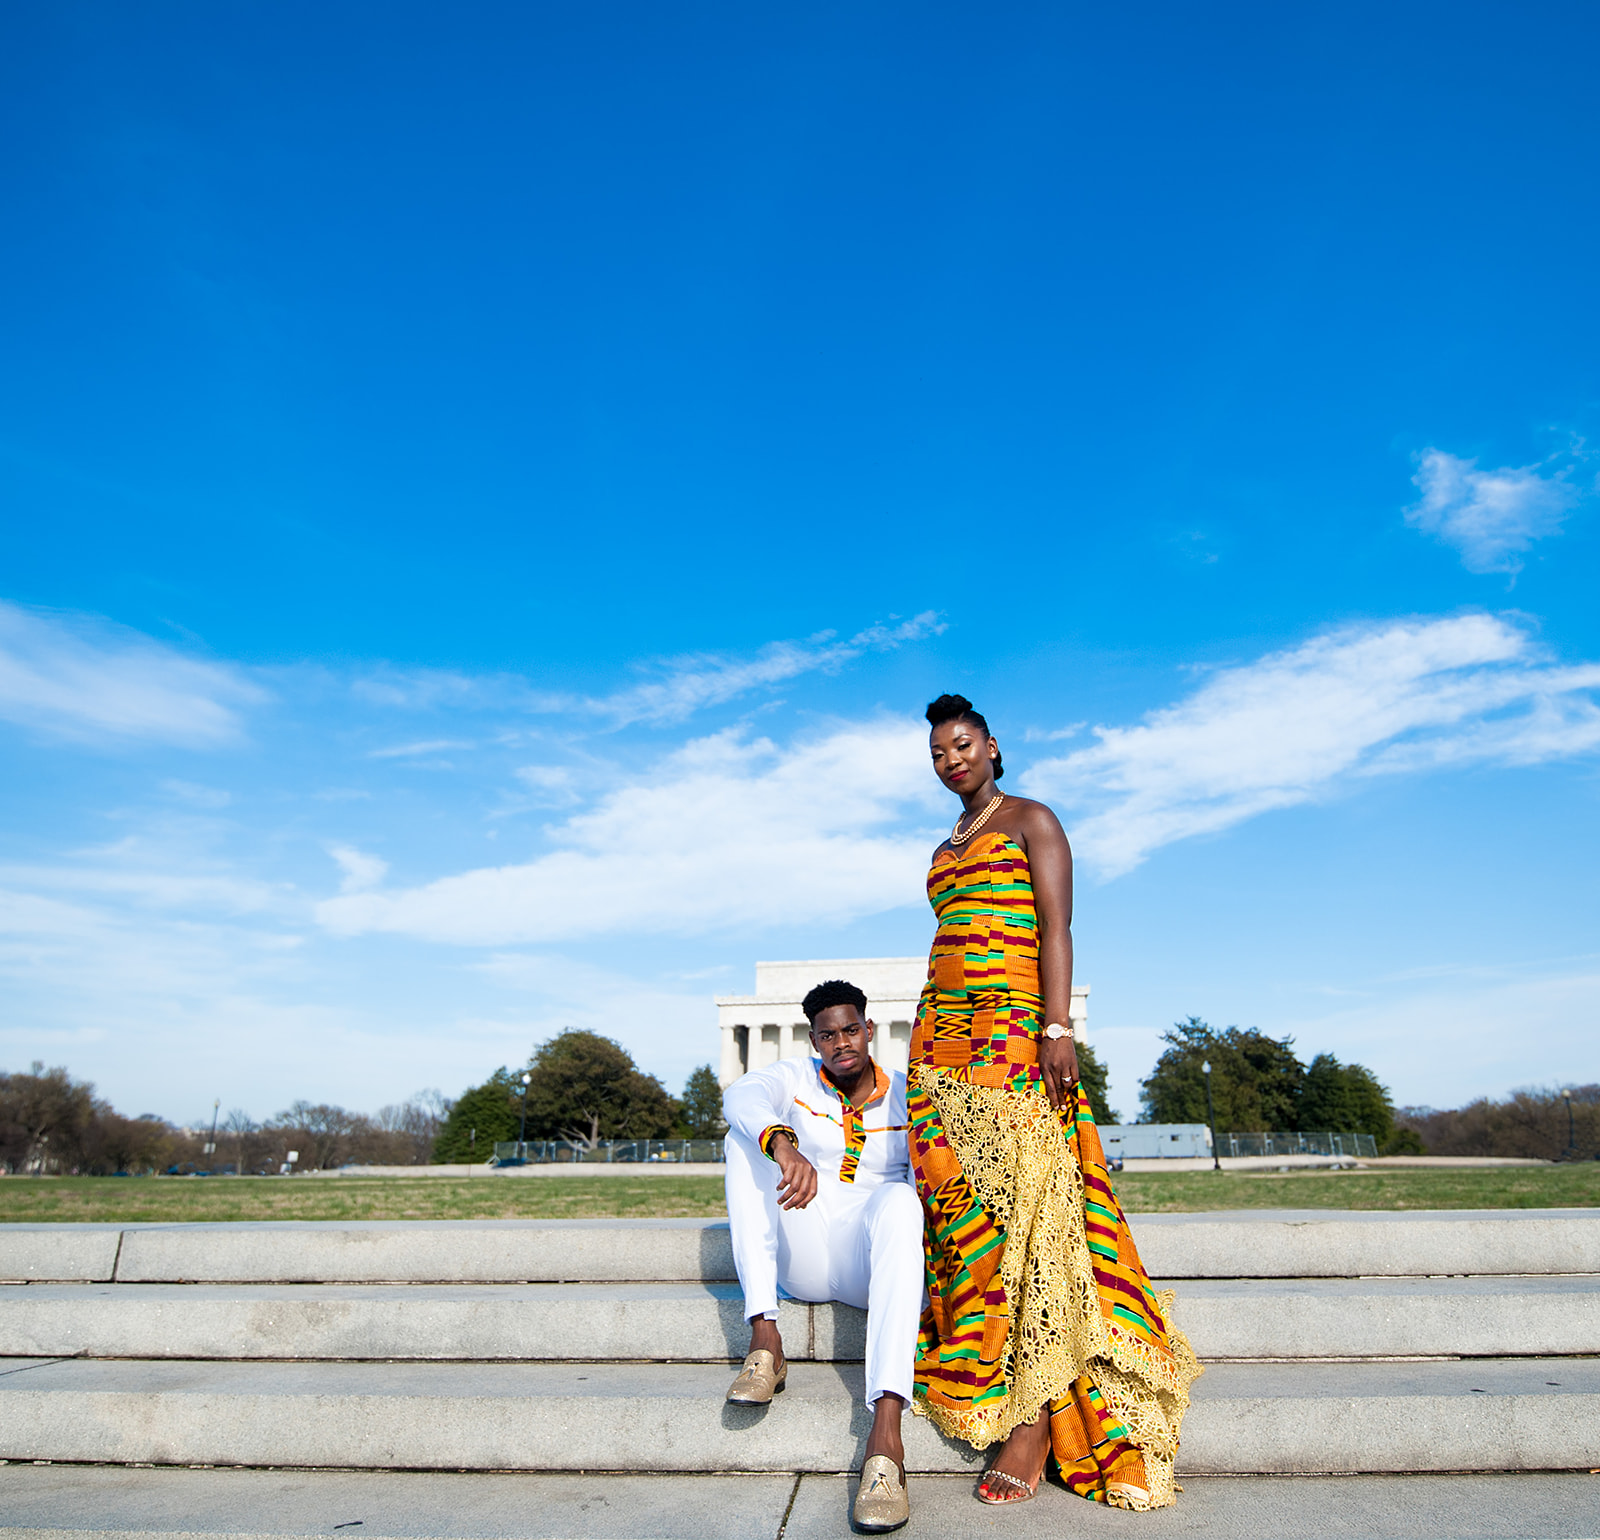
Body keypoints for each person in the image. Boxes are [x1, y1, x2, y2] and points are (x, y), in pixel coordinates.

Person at [908, 693, 1201, 1509]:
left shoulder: (1032, 819)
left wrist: (1057, 1025)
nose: (950, 759)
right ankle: (991, 1369)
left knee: (1038, 1211)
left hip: (1014, 1037)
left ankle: (1035, 1419)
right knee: (968, 1223)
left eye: (962, 744)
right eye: (937, 752)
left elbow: (1058, 927)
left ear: (993, 747)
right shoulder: (941, 847)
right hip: (940, 1050)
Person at [722, 979, 923, 1533]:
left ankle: (885, 1442)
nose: (841, 1043)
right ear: (815, 1041)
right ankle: (765, 1338)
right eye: (828, 1035)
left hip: (867, 1254)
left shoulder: (908, 1093)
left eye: (851, 1030)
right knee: (744, 1138)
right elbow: (738, 1097)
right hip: (804, 1245)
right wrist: (783, 1144)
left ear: (870, 1030)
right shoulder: (793, 1079)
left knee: (903, 1201)